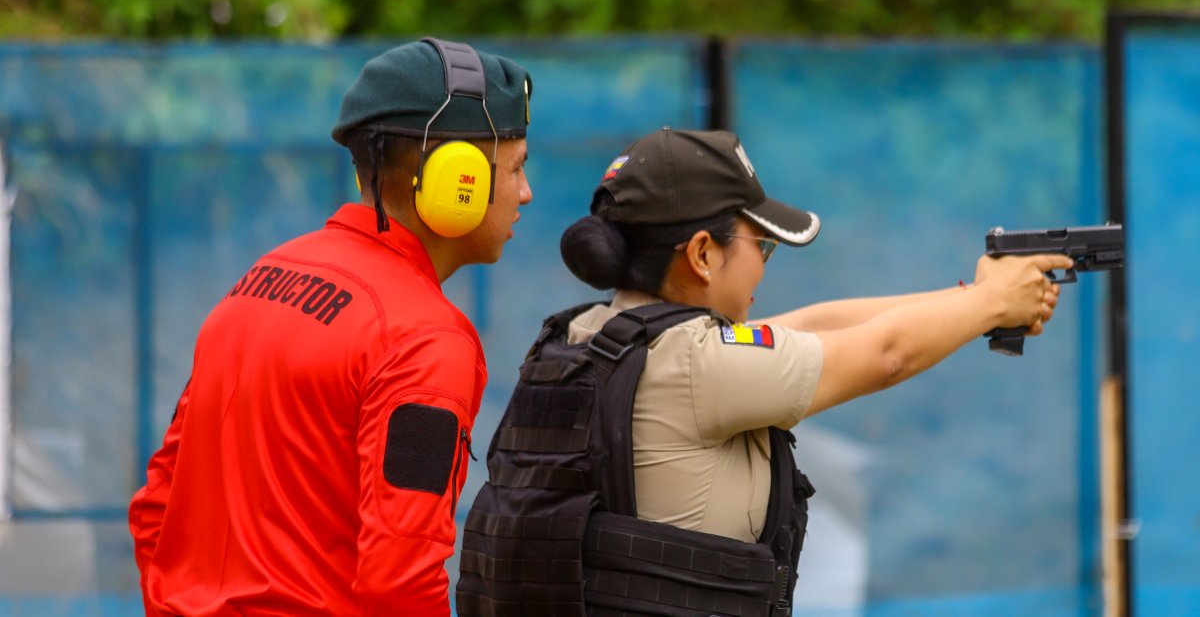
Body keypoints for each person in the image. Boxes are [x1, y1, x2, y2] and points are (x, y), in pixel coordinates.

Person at [458, 127, 1071, 615]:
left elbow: (816, 324)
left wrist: (973, 296)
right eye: (761, 246)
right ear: (702, 254)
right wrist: (992, 304)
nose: (763, 267)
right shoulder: (702, 364)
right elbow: (886, 355)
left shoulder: (592, 336)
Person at [128, 38, 534, 616]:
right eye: (515, 167)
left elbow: (155, 508)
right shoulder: (423, 340)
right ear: (455, 178)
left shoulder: (256, 284)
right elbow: (402, 582)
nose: (525, 192)